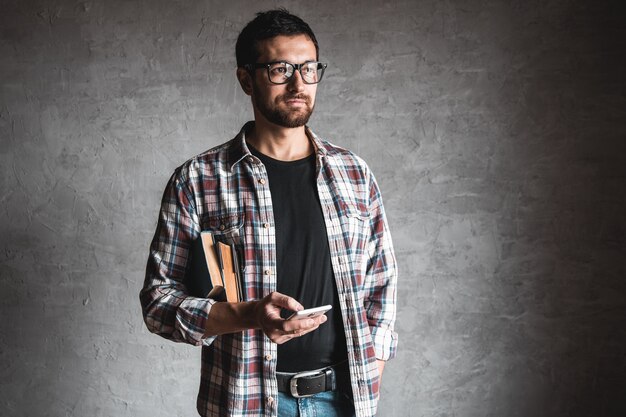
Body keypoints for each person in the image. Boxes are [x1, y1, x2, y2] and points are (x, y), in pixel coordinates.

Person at [140, 9, 397, 417]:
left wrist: (374, 367)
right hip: (245, 401)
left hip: (342, 399)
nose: (298, 83)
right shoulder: (199, 179)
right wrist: (248, 315)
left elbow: (380, 284)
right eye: (280, 69)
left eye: (309, 68)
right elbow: (159, 304)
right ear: (246, 79)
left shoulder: (354, 174)